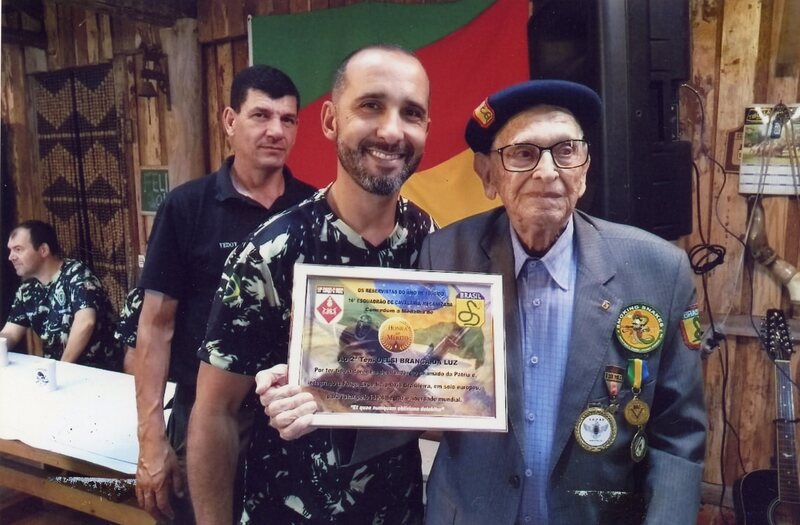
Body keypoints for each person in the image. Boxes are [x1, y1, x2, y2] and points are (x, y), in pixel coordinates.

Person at [261, 80, 707, 524]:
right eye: (523, 154)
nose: (547, 172)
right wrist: (317, 389)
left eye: (565, 150)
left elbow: (678, 435)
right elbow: (409, 383)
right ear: (488, 175)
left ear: (585, 168)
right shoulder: (444, 254)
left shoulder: (658, 270)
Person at [188, 44, 435, 524]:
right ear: (330, 121)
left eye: (411, 113)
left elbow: (445, 398)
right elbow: (215, 412)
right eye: (371, 106)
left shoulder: (432, 245)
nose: (391, 130)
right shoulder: (270, 253)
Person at [134, 65, 316, 522]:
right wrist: (151, 440)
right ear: (230, 121)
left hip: (293, 416)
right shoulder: (186, 207)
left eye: (288, 119)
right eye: (261, 115)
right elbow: (155, 327)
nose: (276, 130)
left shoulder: (315, 210)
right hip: (207, 413)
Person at [1, 220, 122, 371]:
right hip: (57, 371)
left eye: (18, 249)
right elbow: (11, 333)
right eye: (11, 250)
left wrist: (62, 368)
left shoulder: (76, 274)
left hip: (96, 371)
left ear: (43, 250)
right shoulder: (27, 289)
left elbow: (86, 322)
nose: (11, 257)